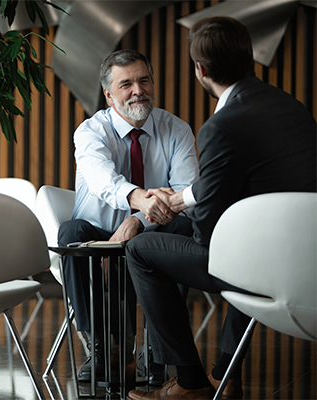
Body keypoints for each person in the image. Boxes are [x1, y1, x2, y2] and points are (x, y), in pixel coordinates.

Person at [125, 17, 317, 400]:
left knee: (140, 250)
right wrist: (182, 200)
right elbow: (250, 178)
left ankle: (189, 381)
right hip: (306, 258)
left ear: (201, 69)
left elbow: (210, 236)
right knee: (225, 237)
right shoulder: (291, 108)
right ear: (248, 57)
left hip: (262, 269)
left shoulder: (221, 125)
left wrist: (169, 210)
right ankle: (225, 374)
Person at [57, 49, 199, 382]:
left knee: (182, 224)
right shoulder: (91, 131)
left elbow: (186, 194)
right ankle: (103, 348)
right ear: (108, 94)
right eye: (126, 84)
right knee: (70, 232)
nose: (138, 90)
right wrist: (137, 198)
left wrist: (139, 220)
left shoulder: (176, 130)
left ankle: (158, 354)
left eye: (144, 80)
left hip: (153, 233)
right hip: (99, 234)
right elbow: (100, 179)